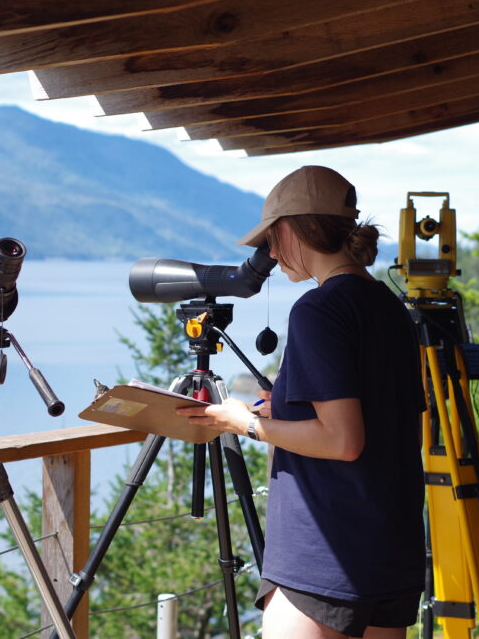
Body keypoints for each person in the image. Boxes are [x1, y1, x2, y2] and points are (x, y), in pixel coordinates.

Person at [179, 165, 426, 639]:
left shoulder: (319, 308)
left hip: (325, 553)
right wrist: (290, 411)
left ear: (298, 228)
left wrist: (242, 422)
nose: (271, 254)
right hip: (391, 550)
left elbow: (342, 440)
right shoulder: (388, 306)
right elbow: (394, 420)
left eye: (274, 238)